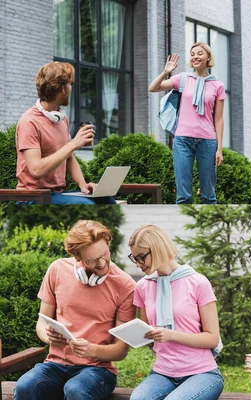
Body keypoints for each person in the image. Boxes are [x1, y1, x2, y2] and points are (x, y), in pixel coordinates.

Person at [13, 220, 136, 400]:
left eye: (105, 254)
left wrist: (91, 350)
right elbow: (42, 321)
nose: (102, 263)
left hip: (98, 371)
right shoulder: (57, 270)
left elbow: (120, 350)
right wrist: (47, 336)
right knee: (24, 387)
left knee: (75, 390)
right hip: (55, 365)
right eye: (92, 260)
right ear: (78, 257)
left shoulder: (125, 286)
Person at [128, 224, 224, 400]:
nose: (138, 265)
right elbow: (148, 336)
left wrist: (171, 335)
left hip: (202, 374)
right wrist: (141, 336)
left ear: (157, 249)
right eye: (135, 259)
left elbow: (212, 338)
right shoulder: (143, 286)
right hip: (162, 373)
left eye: (142, 257)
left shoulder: (198, 283)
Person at [16, 62, 116, 204]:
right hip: (32, 197)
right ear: (62, 89)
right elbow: (36, 170)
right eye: (70, 85)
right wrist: (73, 144)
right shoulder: (29, 121)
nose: (71, 89)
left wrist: (83, 185)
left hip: (57, 194)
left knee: (106, 201)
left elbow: (69, 158)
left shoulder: (61, 119)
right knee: (87, 206)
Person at [149, 42, 225, 204]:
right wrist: (165, 72)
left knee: (209, 195)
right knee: (183, 196)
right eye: (192, 54)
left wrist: (219, 149)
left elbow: (218, 119)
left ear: (208, 57)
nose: (195, 57)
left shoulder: (217, 85)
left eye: (199, 53)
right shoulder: (182, 79)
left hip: (208, 141)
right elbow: (153, 88)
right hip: (183, 140)